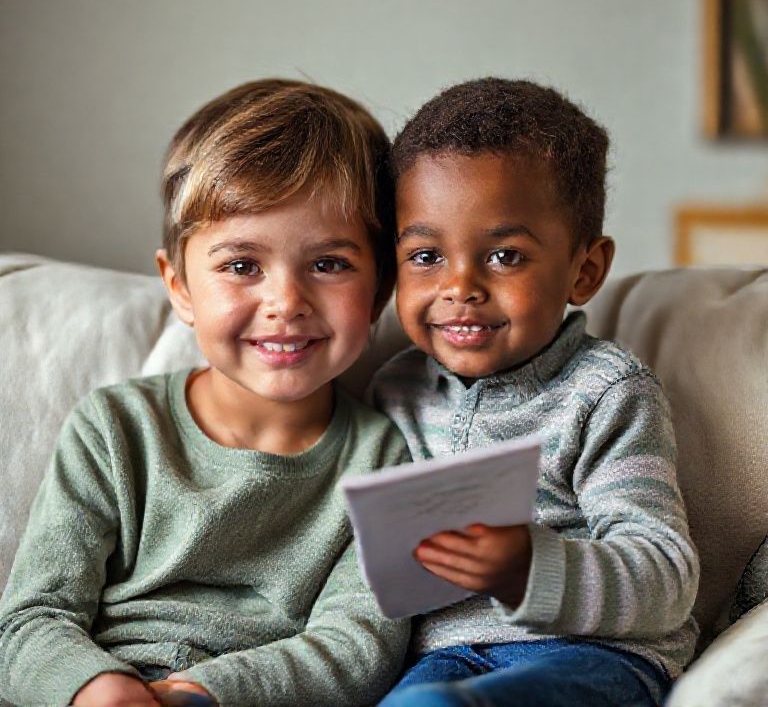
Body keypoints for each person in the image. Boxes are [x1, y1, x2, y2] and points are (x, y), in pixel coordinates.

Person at [0, 79, 410, 707]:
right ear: (181, 287)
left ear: (380, 290)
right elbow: (31, 621)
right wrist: (101, 692)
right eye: (242, 266)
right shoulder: (115, 427)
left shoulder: (385, 459)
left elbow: (359, 646)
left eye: (329, 264)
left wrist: (197, 693)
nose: (286, 303)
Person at [369, 77, 700, 707]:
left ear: (584, 270)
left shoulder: (607, 392)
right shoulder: (394, 391)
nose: (460, 286)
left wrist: (529, 568)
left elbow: (667, 576)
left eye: (505, 256)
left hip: (594, 655)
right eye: (426, 256)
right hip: (441, 656)